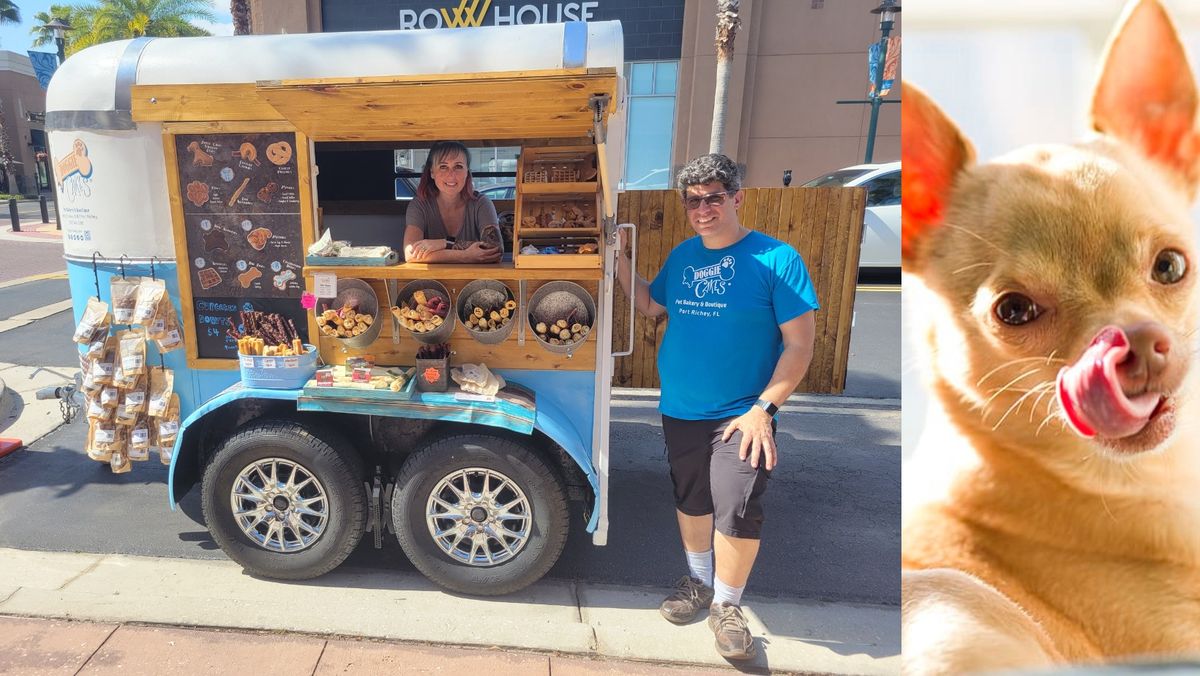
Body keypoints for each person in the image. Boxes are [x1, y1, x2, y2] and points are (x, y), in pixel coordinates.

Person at [615, 153, 817, 660]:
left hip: (742, 415)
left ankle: (727, 607)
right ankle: (699, 584)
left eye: (714, 197)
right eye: (693, 200)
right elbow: (648, 304)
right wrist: (618, 260)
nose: (703, 208)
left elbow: (799, 346)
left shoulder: (777, 260)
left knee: (737, 505)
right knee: (692, 499)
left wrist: (763, 410)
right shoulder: (684, 257)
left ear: (737, 198)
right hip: (681, 408)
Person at [404, 140, 503, 263]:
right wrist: (465, 256)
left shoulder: (481, 203)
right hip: (431, 281)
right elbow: (411, 254)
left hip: (475, 280)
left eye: (458, 166)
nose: (451, 175)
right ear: (432, 173)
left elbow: (495, 249)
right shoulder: (420, 204)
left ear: (467, 172)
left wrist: (444, 244)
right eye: (443, 167)